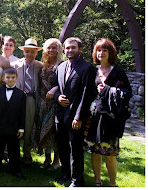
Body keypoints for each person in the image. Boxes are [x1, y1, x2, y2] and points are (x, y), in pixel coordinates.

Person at [52, 37, 97, 187]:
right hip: (60, 115)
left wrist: (79, 117)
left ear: (80, 49)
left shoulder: (87, 68)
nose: (70, 50)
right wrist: (58, 98)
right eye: (67, 48)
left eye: (73, 47)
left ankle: (77, 180)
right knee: (62, 146)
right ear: (64, 50)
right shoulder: (61, 66)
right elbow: (55, 87)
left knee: (75, 148)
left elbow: (87, 94)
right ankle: (66, 174)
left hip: (75, 116)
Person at [87, 39, 131, 187]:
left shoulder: (118, 72)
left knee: (110, 153)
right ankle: (97, 181)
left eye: (105, 50)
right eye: (99, 50)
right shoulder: (93, 70)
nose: (101, 53)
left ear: (110, 52)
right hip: (93, 117)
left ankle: (112, 184)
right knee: (95, 151)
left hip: (111, 119)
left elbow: (127, 93)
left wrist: (108, 90)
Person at [0, 67, 26, 180]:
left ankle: (15, 170)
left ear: (16, 78)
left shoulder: (21, 94)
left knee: (14, 149)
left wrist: (21, 128)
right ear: (3, 79)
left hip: (14, 127)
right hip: (0, 126)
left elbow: (23, 113)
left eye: (13, 77)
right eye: (8, 77)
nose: (10, 79)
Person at [12, 38, 43, 165]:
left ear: (36, 53)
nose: (29, 54)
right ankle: (13, 155)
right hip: (17, 99)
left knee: (29, 127)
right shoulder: (15, 65)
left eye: (32, 51)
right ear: (23, 51)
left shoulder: (40, 66)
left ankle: (27, 154)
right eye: (27, 51)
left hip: (31, 99)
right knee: (15, 125)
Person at [37, 38, 63, 170]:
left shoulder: (62, 65)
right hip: (42, 103)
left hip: (55, 104)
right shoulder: (43, 65)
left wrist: (55, 89)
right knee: (43, 131)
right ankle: (47, 159)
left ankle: (56, 161)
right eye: (49, 48)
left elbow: (65, 83)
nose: (51, 50)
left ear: (58, 49)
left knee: (54, 132)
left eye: (54, 47)